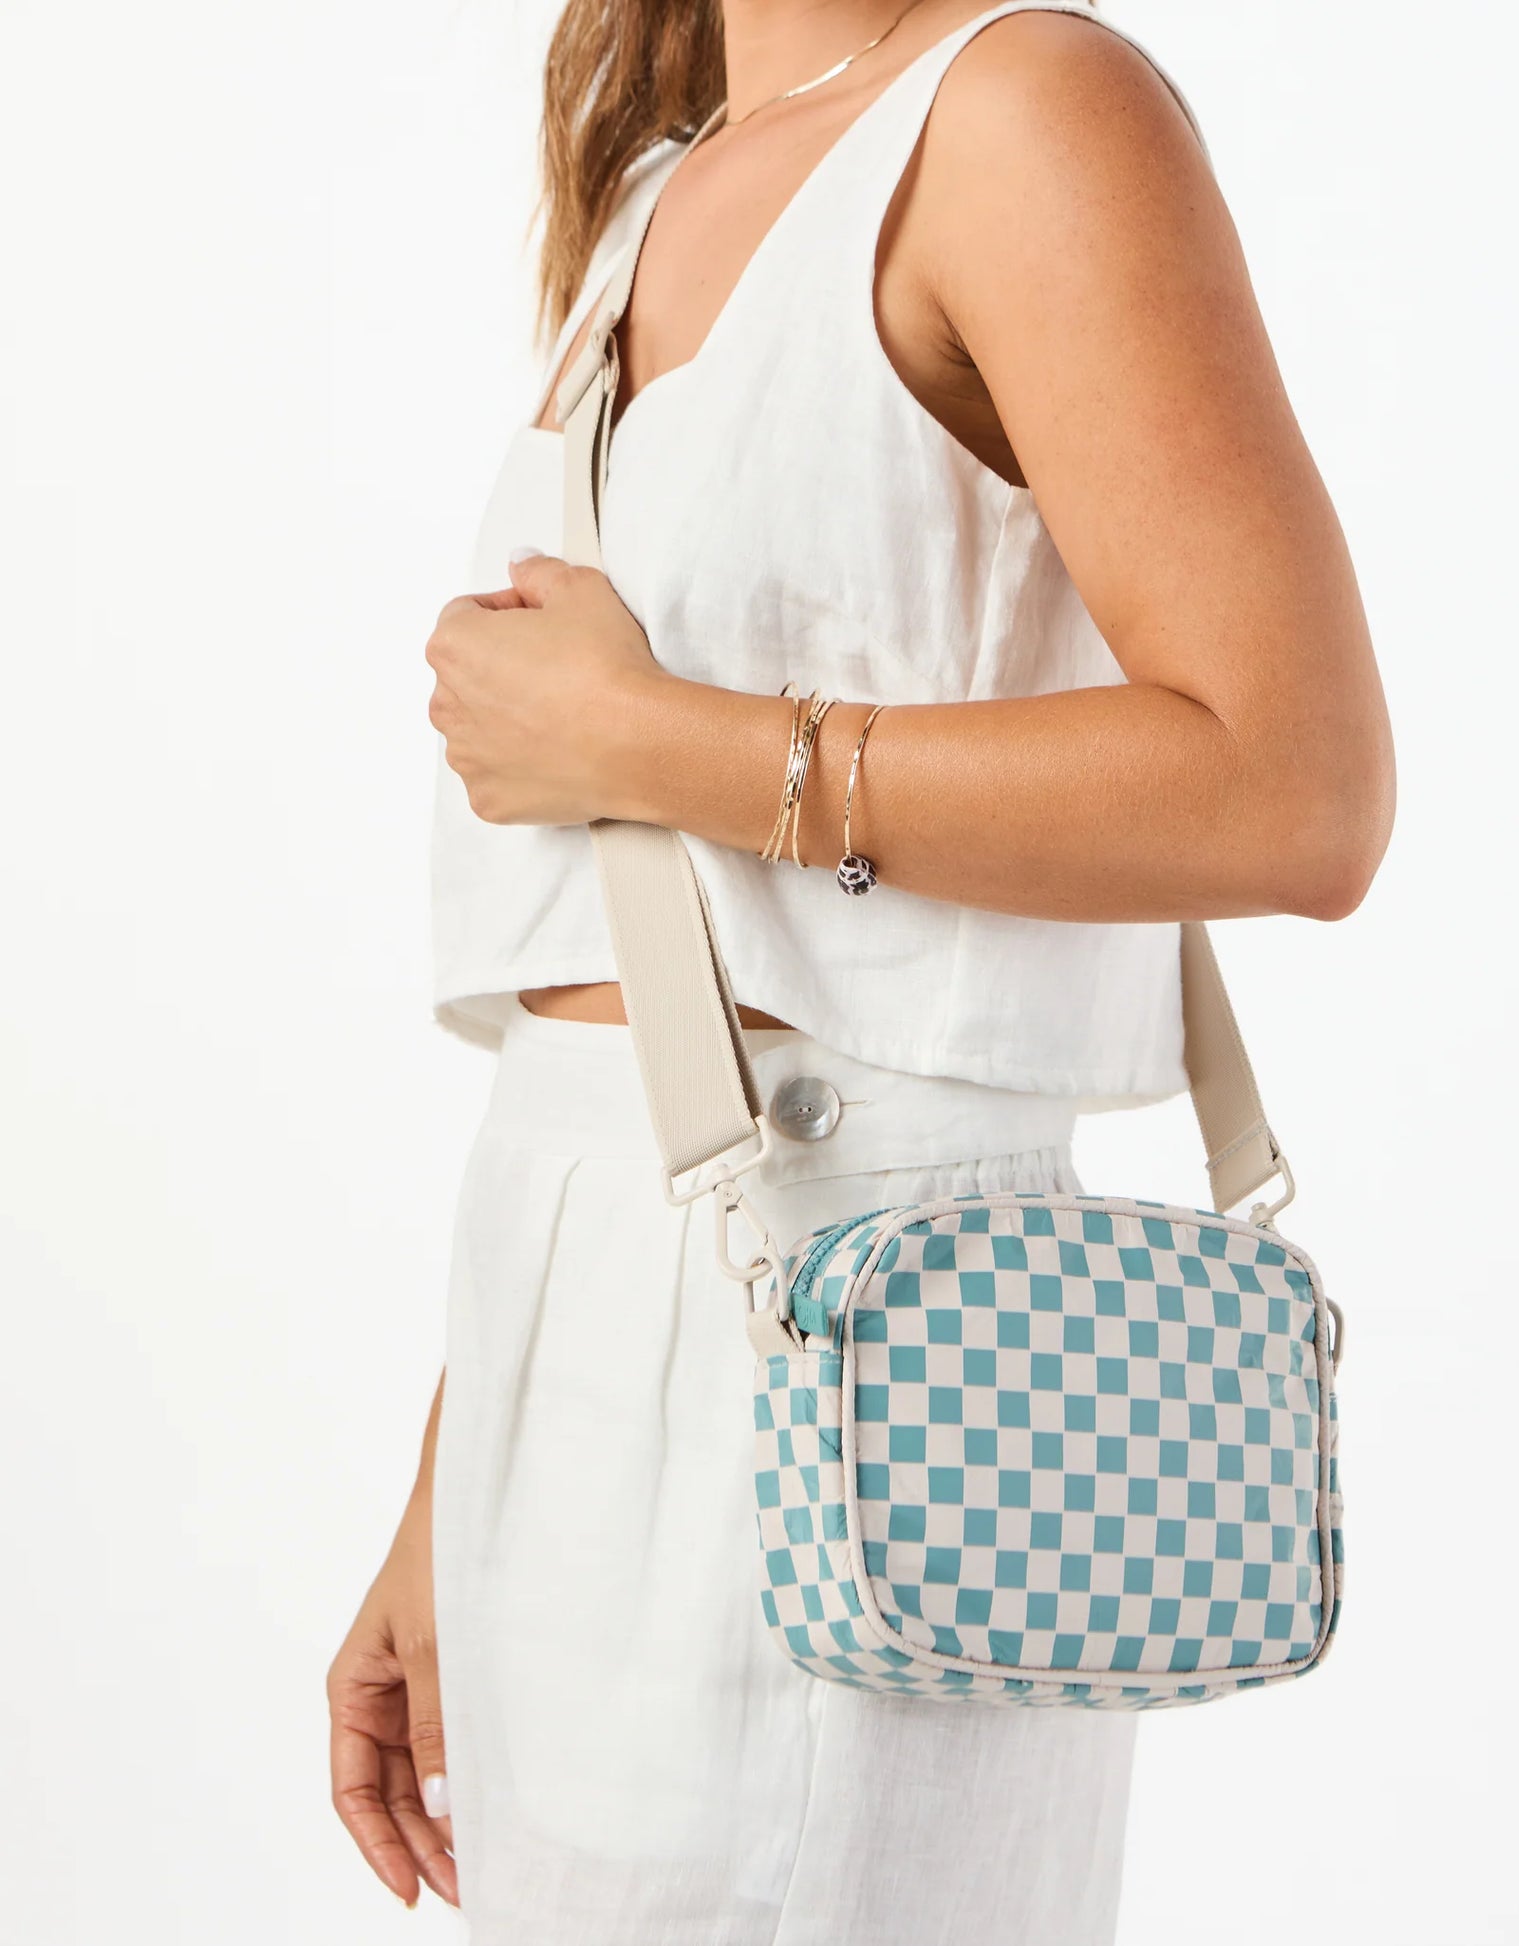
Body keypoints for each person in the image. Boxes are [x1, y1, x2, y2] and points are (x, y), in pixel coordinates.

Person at [327, 1, 1393, 1939]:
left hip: (880, 1345)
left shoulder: (1022, 112)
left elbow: (1295, 787)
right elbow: (635, 963)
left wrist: (653, 739)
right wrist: (452, 1473)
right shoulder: (650, 197)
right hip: (573, 1334)